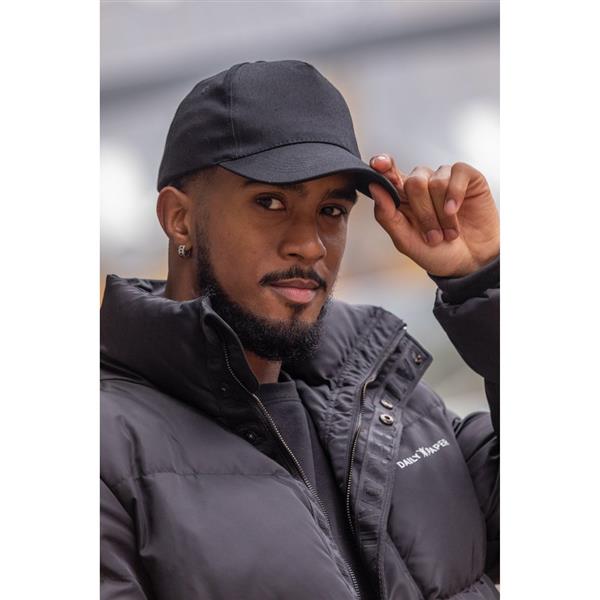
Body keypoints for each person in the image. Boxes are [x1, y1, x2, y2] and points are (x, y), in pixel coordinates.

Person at [100, 60, 499, 600]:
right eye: (270, 202)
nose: (310, 244)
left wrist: (483, 281)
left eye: (332, 210)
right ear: (180, 219)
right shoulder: (104, 448)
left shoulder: (387, 400)